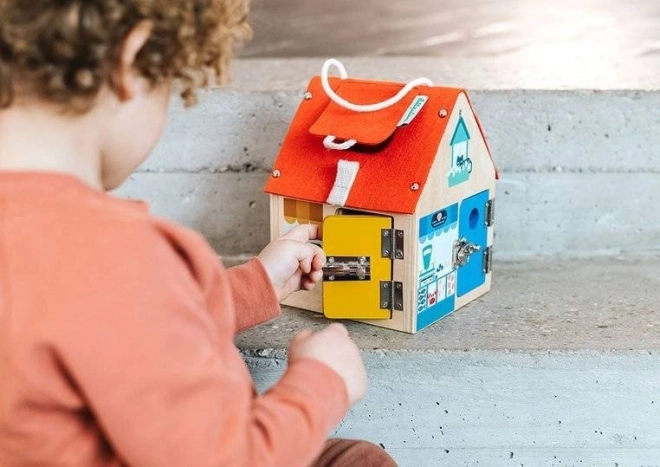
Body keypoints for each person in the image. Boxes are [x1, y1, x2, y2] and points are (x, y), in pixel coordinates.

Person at [0, 1, 397, 466]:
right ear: (131, 60)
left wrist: (256, 285)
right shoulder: (116, 254)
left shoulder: (55, 246)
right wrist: (321, 382)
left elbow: (119, 328)